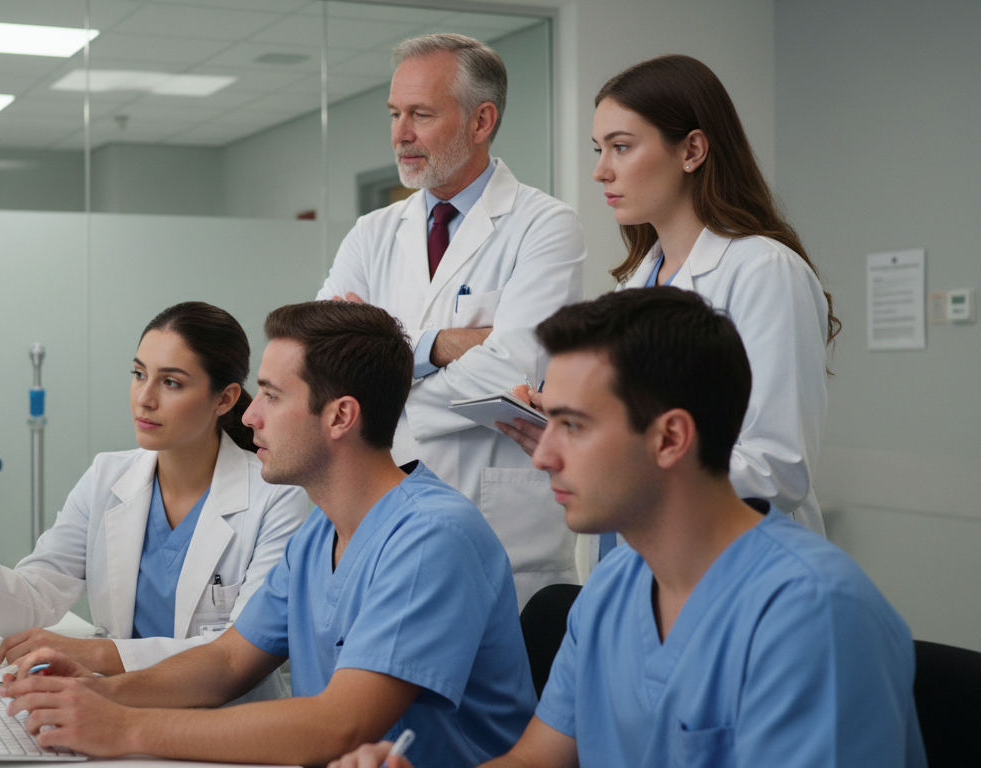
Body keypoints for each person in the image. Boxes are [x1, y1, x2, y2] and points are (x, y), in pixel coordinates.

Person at [335, 288, 925, 768]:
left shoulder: (811, 612)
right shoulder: (615, 587)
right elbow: (536, 761)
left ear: (669, 438)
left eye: (572, 426)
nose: (542, 457)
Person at [0, 301, 535, 768]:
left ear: (340, 416)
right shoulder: (322, 530)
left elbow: (339, 725)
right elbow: (228, 661)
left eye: (272, 397)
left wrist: (122, 727)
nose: (250, 417)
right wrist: (99, 691)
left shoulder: (431, 538)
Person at [0, 301, 308, 700]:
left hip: (225, 731)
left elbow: (239, 651)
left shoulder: (275, 498)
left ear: (225, 398)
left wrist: (98, 654)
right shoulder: (108, 478)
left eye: (171, 382)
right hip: (114, 712)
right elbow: (34, 602)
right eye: (139, 374)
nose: (145, 397)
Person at [500, 54, 836, 541]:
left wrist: (629, 469)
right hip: (639, 554)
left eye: (621, 147)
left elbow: (778, 467)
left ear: (692, 150)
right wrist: (567, 429)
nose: (601, 172)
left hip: (731, 556)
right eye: (598, 149)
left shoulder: (764, 271)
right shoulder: (636, 281)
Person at [318, 33, 588, 606]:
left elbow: (513, 370)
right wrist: (439, 346)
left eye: (421, 114)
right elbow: (322, 363)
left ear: (481, 120)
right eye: (394, 114)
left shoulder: (544, 226)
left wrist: (378, 383)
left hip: (502, 542)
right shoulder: (373, 234)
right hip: (380, 522)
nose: (400, 134)